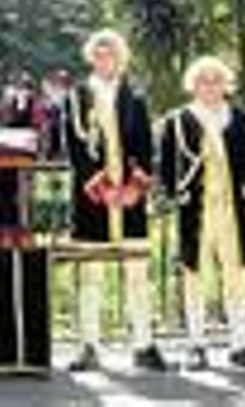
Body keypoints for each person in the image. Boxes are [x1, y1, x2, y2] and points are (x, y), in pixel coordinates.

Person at [157, 55, 245, 371]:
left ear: (226, 84)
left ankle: (240, 344)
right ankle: (196, 345)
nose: (210, 86)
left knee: (238, 274)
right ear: (192, 85)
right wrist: (175, 194)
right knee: (195, 276)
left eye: (216, 79)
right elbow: (167, 166)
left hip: (232, 209)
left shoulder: (240, 119)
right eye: (203, 80)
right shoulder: (178, 120)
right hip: (195, 210)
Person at [63, 29, 167, 373]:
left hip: (130, 198)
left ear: (120, 56)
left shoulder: (135, 96)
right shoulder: (78, 96)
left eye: (111, 52)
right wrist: (101, 185)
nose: (105, 58)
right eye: (99, 52)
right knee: (89, 275)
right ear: (91, 57)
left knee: (137, 273)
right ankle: (88, 346)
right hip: (92, 199)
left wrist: (134, 186)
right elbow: (76, 146)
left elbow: (143, 145)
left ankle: (144, 345)